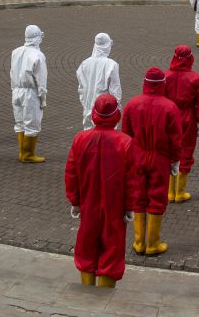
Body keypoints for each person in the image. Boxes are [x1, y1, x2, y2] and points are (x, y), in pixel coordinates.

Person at [66, 93, 138, 288]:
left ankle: (87, 290)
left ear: (94, 114)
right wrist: (129, 207)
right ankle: (104, 294)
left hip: (88, 203)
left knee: (87, 245)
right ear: (117, 115)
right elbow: (131, 180)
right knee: (112, 248)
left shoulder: (80, 139)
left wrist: (75, 200)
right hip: (114, 206)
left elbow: (71, 173)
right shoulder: (125, 142)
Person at [123, 67, 182, 257]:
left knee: (138, 195)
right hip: (160, 158)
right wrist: (175, 160)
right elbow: (175, 139)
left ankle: (139, 242)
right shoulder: (170, 107)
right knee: (157, 197)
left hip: (137, 156)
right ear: (162, 84)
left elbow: (126, 135)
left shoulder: (132, 104)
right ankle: (153, 243)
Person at [164, 45, 199, 203]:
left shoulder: (165, 76)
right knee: (186, 151)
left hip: (169, 117)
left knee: (169, 151)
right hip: (188, 117)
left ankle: (169, 192)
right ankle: (179, 192)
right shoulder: (195, 78)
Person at [11, 24, 49, 163]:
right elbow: (41, 79)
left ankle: (22, 152)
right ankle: (28, 154)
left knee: (20, 122)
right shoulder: (38, 55)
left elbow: (12, 72)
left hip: (16, 90)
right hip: (31, 92)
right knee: (32, 123)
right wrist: (42, 97)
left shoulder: (16, 51)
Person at [77, 33, 121, 129]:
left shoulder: (85, 64)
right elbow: (115, 91)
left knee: (89, 136)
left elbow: (81, 88)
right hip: (106, 110)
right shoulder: (111, 65)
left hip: (88, 108)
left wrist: (86, 103)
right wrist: (116, 109)